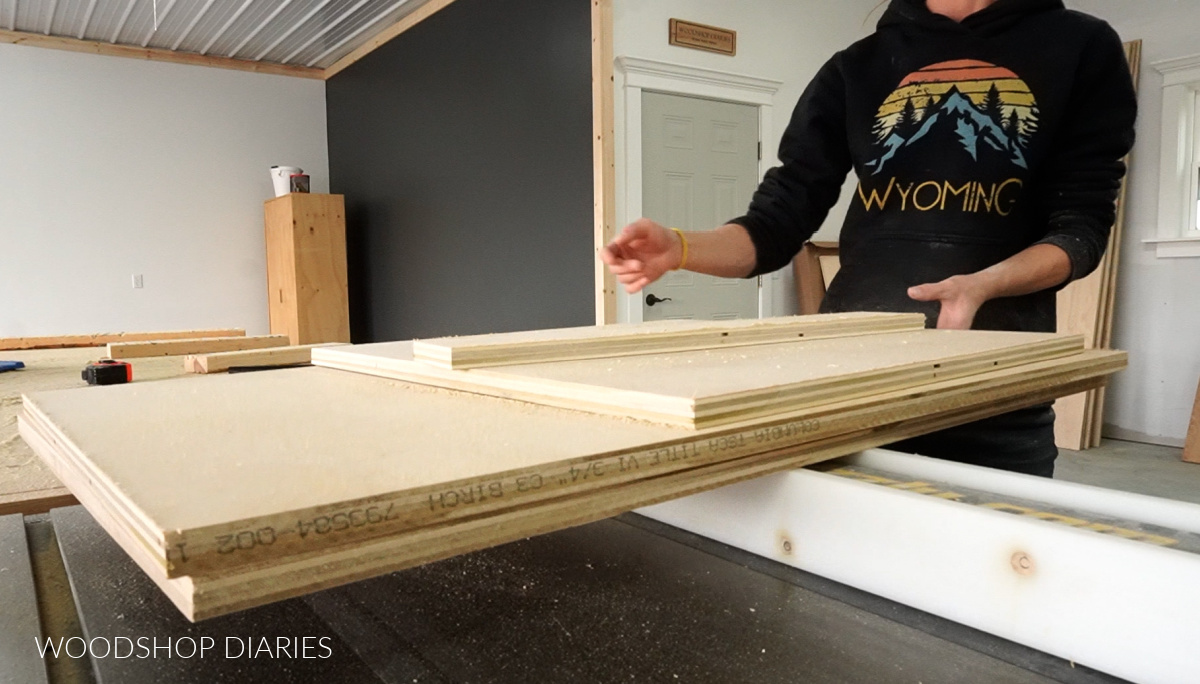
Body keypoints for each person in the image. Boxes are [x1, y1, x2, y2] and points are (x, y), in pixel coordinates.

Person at [601, 0, 1137, 477]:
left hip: (992, 385)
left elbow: (1080, 231)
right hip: (850, 380)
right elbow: (776, 224)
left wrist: (983, 286)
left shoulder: (1081, 47)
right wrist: (680, 247)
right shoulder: (854, 67)